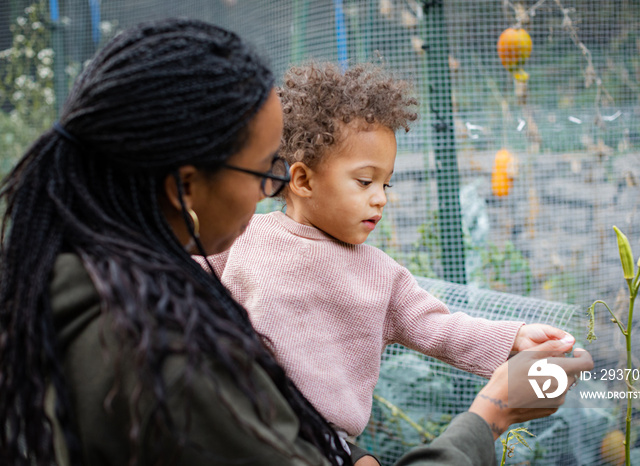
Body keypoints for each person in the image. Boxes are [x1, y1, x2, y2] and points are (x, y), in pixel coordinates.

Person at [0, 18, 592, 466]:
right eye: (265, 170)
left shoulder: (79, 284)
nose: (272, 186)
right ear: (184, 185)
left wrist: (512, 338)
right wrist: (492, 415)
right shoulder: (181, 341)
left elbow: (439, 326)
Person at [200, 62, 578, 463]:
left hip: (325, 445)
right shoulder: (243, 236)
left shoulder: (381, 275)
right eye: (365, 181)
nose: (381, 197)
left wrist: (513, 338)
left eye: (386, 183)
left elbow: (440, 327)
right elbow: (177, 274)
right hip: (235, 426)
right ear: (303, 180)